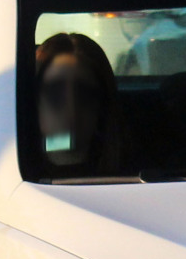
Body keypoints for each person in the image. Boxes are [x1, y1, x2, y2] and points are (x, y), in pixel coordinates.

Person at [35, 32, 133, 175]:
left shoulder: (137, 176)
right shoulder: (8, 172)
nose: (70, 106)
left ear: (103, 103)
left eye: (83, 93)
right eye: (55, 91)